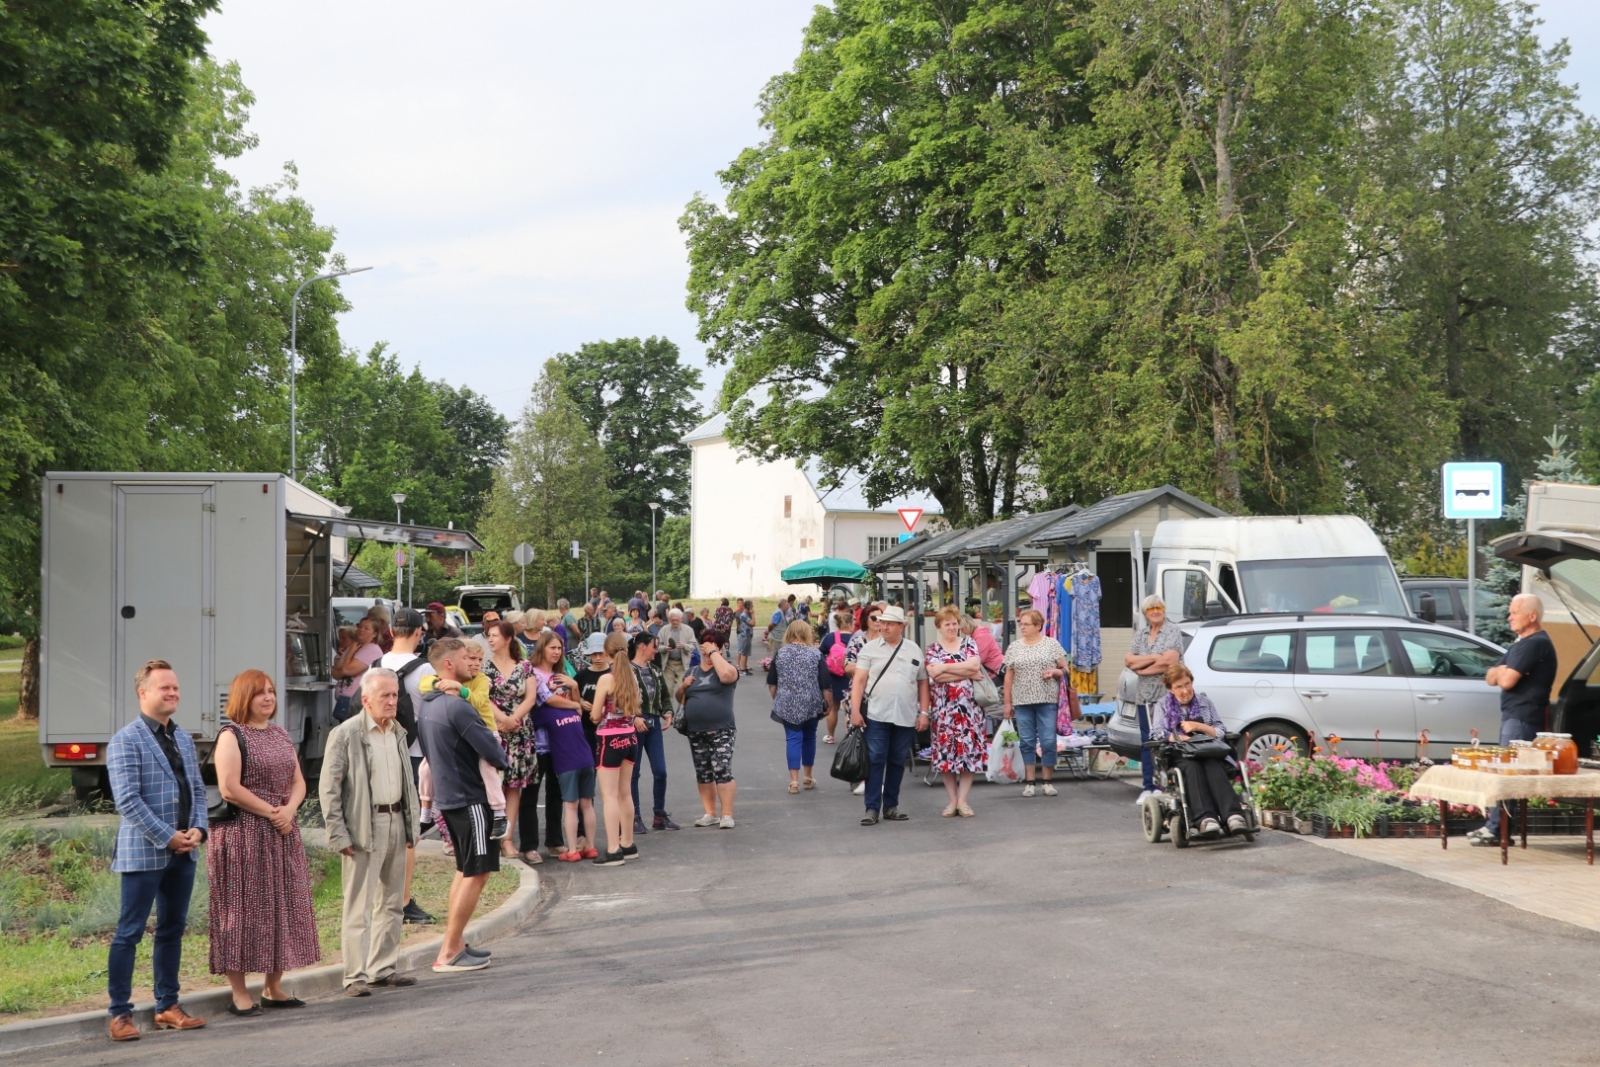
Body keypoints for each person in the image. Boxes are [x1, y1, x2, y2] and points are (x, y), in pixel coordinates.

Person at [105, 660, 209, 1042]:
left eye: (176, 687)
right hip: (145, 852)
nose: (173, 693)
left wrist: (198, 828)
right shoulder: (125, 740)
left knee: (172, 930)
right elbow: (128, 801)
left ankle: (168, 1005)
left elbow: (197, 789)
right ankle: (119, 1014)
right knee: (129, 932)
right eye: (164, 687)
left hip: (185, 851)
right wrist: (168, 836)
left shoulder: (183, 738)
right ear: (143, 692)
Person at [209, 669, 320, 1015]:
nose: (269, 698)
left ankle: (273, 987)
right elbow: (230, 788)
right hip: (244, 834)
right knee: (240, 912)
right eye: (260, 693)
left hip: (281, 834)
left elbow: (298, 781)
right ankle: (240, 992)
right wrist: (274, 813)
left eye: (271, 691)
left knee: (282, 907)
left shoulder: (280, 733)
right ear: (244, 697)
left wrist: (288, 810)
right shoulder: (232, 735)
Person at [320, 669, 422, 995]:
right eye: (385, 696)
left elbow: (407, 782)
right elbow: (330, 789)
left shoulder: (398, 732)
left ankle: (383, 968)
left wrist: (411, 823)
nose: (392, 702)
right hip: (365, 825)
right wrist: (338, 833)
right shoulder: (346, 734)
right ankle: (355, 976)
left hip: (395, 820)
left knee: (393, 902)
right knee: (358, 907)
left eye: (395, 696)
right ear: (366, 700)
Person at [417, 639, 508, 972]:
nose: (472, 664)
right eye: (465, 659)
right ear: (449, 666)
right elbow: (494, 752)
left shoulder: (428, 704)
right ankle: (450, 951)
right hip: (470, 798)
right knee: (478, 872)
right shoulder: (456, 707)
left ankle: (451, 944)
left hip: (449, 797)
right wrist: (501, 760)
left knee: (464, 869)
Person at [1469, 593, 1560, 846]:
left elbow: (1506, 680)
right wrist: (1502, 671)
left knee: (1507, 774)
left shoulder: (1535, 644)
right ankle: (1496, 826)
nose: (1509, 617)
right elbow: (1490, 676)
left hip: (1522, 718)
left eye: (1514, 612)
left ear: (1532, 616)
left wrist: (1504, 672)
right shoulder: (1521, 644)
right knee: (1505, 771)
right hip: (1512, 716)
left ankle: (1497, 829)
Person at [378, 607, 435, 925]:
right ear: (417, 632)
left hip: (379, 754)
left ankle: (380, 896)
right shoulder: (425, 669)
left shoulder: (376, 664)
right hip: (412, 754)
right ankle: (403, 900)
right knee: (407, 831)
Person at [849, 606, 929, 826]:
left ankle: (891, 806)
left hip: (905, 715)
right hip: (876, 714)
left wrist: (924, 712)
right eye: (882, 622)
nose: (883, 626)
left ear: (901, 626)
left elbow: (923, 682)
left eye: (889, 623)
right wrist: (855, 711)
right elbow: (859, 681)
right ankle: (872, 809)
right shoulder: (870, 649)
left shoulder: (913, 650)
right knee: (875, 761)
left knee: (896, 762)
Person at [1156, 664, 1246, 835]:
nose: (1185, 690)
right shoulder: (1162, 706)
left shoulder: (1204, 702)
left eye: (1187, 684)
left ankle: (1233, 815)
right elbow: (1157, 733)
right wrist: (1180, 738)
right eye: (1179, 687)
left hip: (1208, 748)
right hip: (1180, 752)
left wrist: (1198, 726)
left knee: (1213, 764)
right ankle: (1205, 818)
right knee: (1192, 766)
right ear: (1170, 689)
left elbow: (1220, 730)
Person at [525, 651, 598, 862]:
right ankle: (587, 846)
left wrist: (574, 692)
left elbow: (558, 704)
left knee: (566, 802)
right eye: (552, 647)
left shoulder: (554, 707)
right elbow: (551, 701)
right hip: (573, 756)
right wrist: (575, 703)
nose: (557, 652)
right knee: (582, 803)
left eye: (559, 648)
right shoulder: (535, 678)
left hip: (564, 759)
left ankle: (567, 846)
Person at [588, 632, 647, 864]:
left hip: (609, 739)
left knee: (609, 796)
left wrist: (596, 714)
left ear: (607, 652)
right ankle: (627, 843)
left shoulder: (606, 679)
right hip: (629, 737)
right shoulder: (632, 676)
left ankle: (613, 849)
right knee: (625, 793)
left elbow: (594, 715)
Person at [925, 605, 987, 818]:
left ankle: (963, 801)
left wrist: (944, 667)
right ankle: (952, 801)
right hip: (944, 712)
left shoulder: (969, 643)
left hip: (970, 710)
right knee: (946, 756)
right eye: (947, 624)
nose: (952, 627)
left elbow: (975, 666)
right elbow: (935, 676)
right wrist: (962, 672)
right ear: (939, 627)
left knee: (968, 754)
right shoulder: (932, 648)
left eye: (954, 623)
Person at [483, 620, 538, 859]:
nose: (490, 639)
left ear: (508, 638)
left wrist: (513, 718)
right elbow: (483, 698)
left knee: (514, 787)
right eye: (488, 636)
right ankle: (491, 837)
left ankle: (507, 839)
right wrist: (503, 719)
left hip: (520, 731)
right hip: (495, 732)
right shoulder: (484, 668)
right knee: (495, 785)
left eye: (494, 635)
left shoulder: (524, 666)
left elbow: (531, 697)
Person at [1002, 608, 1070, 797]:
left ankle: (1047, 780)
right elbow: (1008, 677)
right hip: (1022, 701)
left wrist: (1055, 672)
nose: (1022, 627)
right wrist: (1007, 703)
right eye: (1020, 624)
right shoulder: (1014, 647)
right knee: (1026, 741)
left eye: (1026, 624)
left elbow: (1066, 669)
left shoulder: (1051, 644)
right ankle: (1030, 781)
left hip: (1047, 699)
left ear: (1038, 626)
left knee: (1048, 740)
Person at [678, 628, 740, 827]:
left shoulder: (726, 668)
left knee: (722, 769)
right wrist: (682, 687)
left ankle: (727, 815)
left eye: (711, 650)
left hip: (722, 729)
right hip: (696, 731)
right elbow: (681, 699)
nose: (706, 655)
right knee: (703, 772)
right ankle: (710, 813)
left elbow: (727, 677)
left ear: (720, 649)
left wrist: (714, 653)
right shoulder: (693, 671)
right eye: (704, 650)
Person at [1125, 595, 1183, 806]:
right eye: (1151, 609)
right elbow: (1129, 661)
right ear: (1145, 613)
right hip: (1144, 697)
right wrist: (1153, 658)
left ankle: (1167, 786)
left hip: (1166, 697)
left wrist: (1142, 667)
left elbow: (1169, 662)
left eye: (1159, 608)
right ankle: (1148, 787)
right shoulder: (1141, 634)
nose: (1155, 611)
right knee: (1147, 743)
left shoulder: (1172, 630)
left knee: (1169, 741)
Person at [768, 620, 826, 793]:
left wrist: (778, 699)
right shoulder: (815, 654)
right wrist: (827, 702)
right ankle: (808, 777)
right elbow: (824, 682)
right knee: (810, 738)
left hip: (787, 702)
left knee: (793, 739)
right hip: (811, 702)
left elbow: (772, 683)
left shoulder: (781, 653)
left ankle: (793, 781)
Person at [629, 631, 679, 832]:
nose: (656, 650)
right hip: (635, 726)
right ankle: (634, 817)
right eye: (654, 646)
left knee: (661, 771)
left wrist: (667, 711)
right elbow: (619, 698)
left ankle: (659, 814)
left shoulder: (656, 671)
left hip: (653, 725)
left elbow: (665, 695)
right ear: (642, 646)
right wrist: (633, 717)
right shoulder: (626, 671)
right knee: (634, 773)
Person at [333, 617, 382, 723]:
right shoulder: (354, 646)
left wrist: (350, 652)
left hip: (358, 706)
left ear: (374, 634)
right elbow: (335, 673)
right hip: (345, 704)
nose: (361, 630)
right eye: (359, 626)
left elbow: (346, 669)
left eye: (366, 628)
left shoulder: (371, 650)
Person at [818, 611, 855, 743]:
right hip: (851, 676)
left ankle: (830, 736)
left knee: (833, 708)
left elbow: (819, 654)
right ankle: (849, 738)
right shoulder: (855, 638)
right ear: (850, 624)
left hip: (833, 676)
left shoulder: (830, 637)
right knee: (849, 708)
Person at [659, 609, 698, 701]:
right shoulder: (664, 630)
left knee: (684, 689)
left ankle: (683, 712)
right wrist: (665, 648)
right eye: (673, 620)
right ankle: (669, 713)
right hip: (668, 664)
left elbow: (693, 646)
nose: (675, 622)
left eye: (677, 620)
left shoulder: (688, 630)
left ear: (681, 619)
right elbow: (657, 646)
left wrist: (684, 646)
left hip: (683, 664)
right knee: (667, 691)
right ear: (669, 619)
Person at [734, 599, 755, 675]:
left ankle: (745, 668)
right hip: (744, 635)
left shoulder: (747, 614)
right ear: (748, 606)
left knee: (746, 653)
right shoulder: (744, 615)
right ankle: (743, 669)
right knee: (743, 652)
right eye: (752, 606)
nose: (753, 608)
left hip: (748, 635)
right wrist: (753, 614)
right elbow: (753, 623)